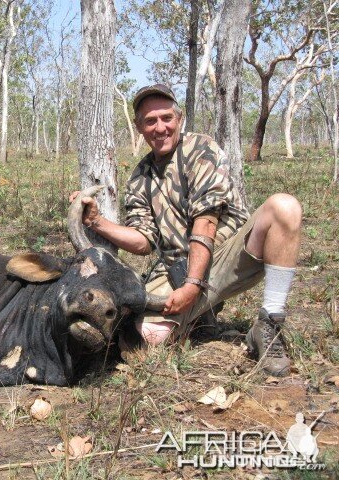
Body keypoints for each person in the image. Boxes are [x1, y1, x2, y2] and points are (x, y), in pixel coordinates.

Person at [72, 84, 301, 376]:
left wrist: (192, 286)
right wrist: (96, 222)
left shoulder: (200, 148)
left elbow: (206, 221)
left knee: (284, 207)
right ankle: (199, 315)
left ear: (179, 119)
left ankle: (268, 324)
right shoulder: (140, 177)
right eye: (150, 121)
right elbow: (143, 242)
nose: (160, 127)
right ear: (140, 128)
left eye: (167, 118)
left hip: (227, 257)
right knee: (145, 340)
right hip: (177, 271)